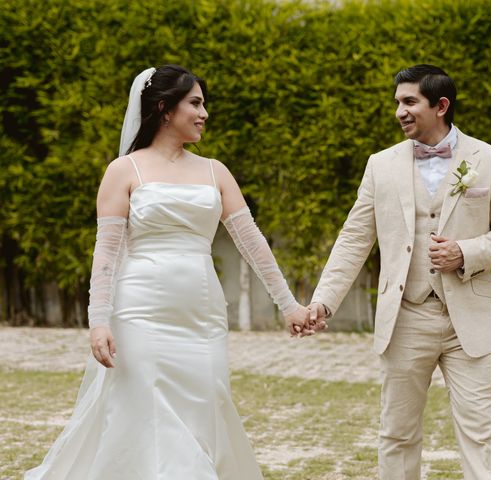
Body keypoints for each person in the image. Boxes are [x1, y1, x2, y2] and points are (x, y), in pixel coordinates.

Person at [25, 65, 313, 480]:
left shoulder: (215, 171)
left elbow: (252, 243)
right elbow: (106, 254)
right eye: (195, 103)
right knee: (146, 410)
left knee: (207, 401)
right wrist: (98, 321)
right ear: (163, 109)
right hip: (139, 311)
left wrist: (288, 305)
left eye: (204, 104)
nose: (204, 113)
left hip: (202, 313)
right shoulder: (124, 171)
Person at [307, 64, 491, 479]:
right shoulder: (380, 165)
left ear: (441, 105)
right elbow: (354, 238)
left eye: (409, 102)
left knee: (480, 433)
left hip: (470, 319)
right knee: (397, 433)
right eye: (397, 103)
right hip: (406, 316)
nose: (399, 112)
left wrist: (465, 251)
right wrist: (324, 301)